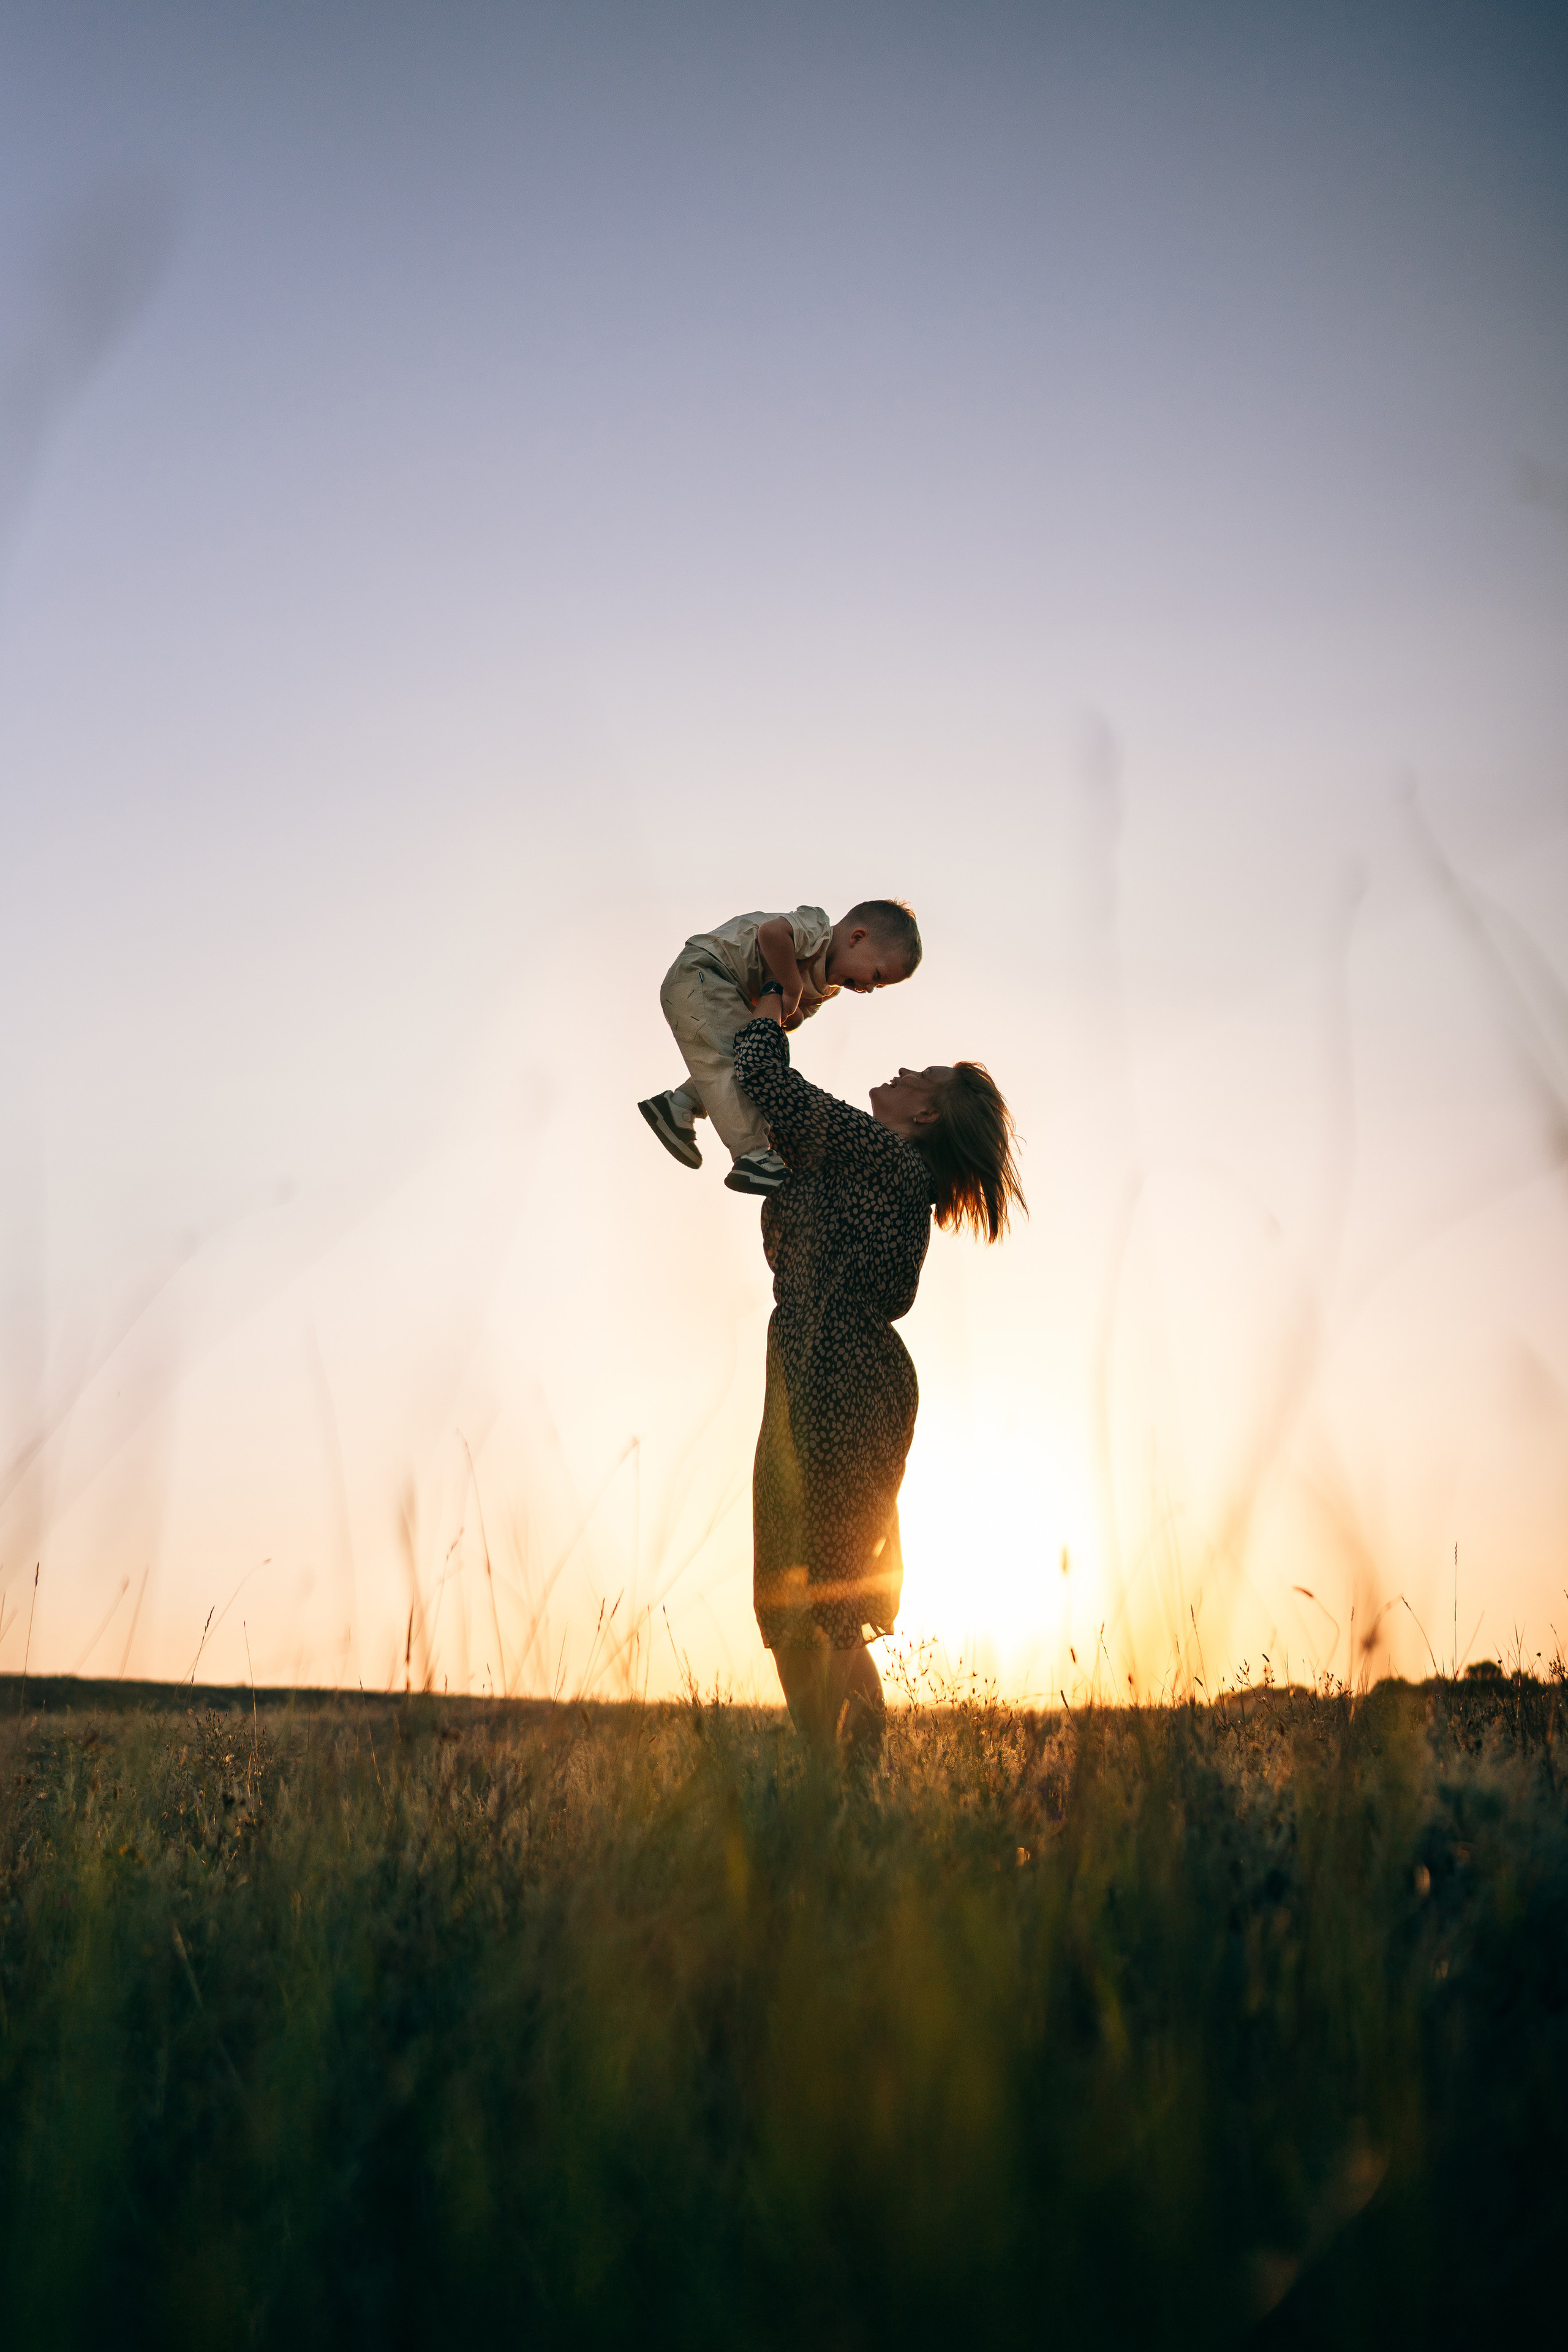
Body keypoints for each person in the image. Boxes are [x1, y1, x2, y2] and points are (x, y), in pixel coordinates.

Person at [731, 997, 1025, 1762]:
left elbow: (773, 1085)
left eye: (918, 1075)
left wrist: (765, 1015)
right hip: (818, 1367)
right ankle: (848, 1781)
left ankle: (829, 1785)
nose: (899, 1072)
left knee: (811, 1597)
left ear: (925, 1114)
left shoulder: (882, 1156)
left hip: (839, 1374)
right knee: (814, 1596)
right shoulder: (869, 1166)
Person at [639, 899, 922, 1196]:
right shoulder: (818, 930)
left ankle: (679, 1105)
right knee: (725, 1059)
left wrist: (789, 1006)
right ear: (857, 938)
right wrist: (792, 986)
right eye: (876, 976)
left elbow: (789, 1018)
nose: (868, 989)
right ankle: (752, 1154)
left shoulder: (827, 989)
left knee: (749, 1060)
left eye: (878, 987)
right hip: (707, 970)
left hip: (726, 992)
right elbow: (773, 934)